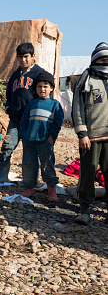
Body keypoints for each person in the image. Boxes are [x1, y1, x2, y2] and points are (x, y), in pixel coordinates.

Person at [0, 42, 44, 183]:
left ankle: (32, 180)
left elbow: (44, 96)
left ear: (33, 56)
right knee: (7, 146)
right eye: (20, 57)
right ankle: (2, 175)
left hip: (31, 121)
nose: (23, 60)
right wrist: (9, 107)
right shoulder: (15, 75)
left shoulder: (40, 74)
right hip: (15, 119)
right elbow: (9, 95)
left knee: (30, 151)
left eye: (26, 57)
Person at [72, 42, 108, 220]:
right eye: (101, 58)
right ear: (95, 59)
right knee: (87, 173)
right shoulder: (86, 78)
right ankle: (85, 209)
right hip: (91, 137)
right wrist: (82, 133)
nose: (105, 61)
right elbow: (77, 107)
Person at [19, 71, 64, 202]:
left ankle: (52, 191)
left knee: (47, 165)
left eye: (45, 86)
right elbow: (24, 121)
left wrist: (52, 137)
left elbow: (58, 122)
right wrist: (24, 135)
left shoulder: (55, 104)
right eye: (39, 86)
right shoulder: (32, 104)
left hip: (45, 141)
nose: (42, 89)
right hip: (29, 141)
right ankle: (29, 188)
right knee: (28, 165)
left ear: (51, 88)